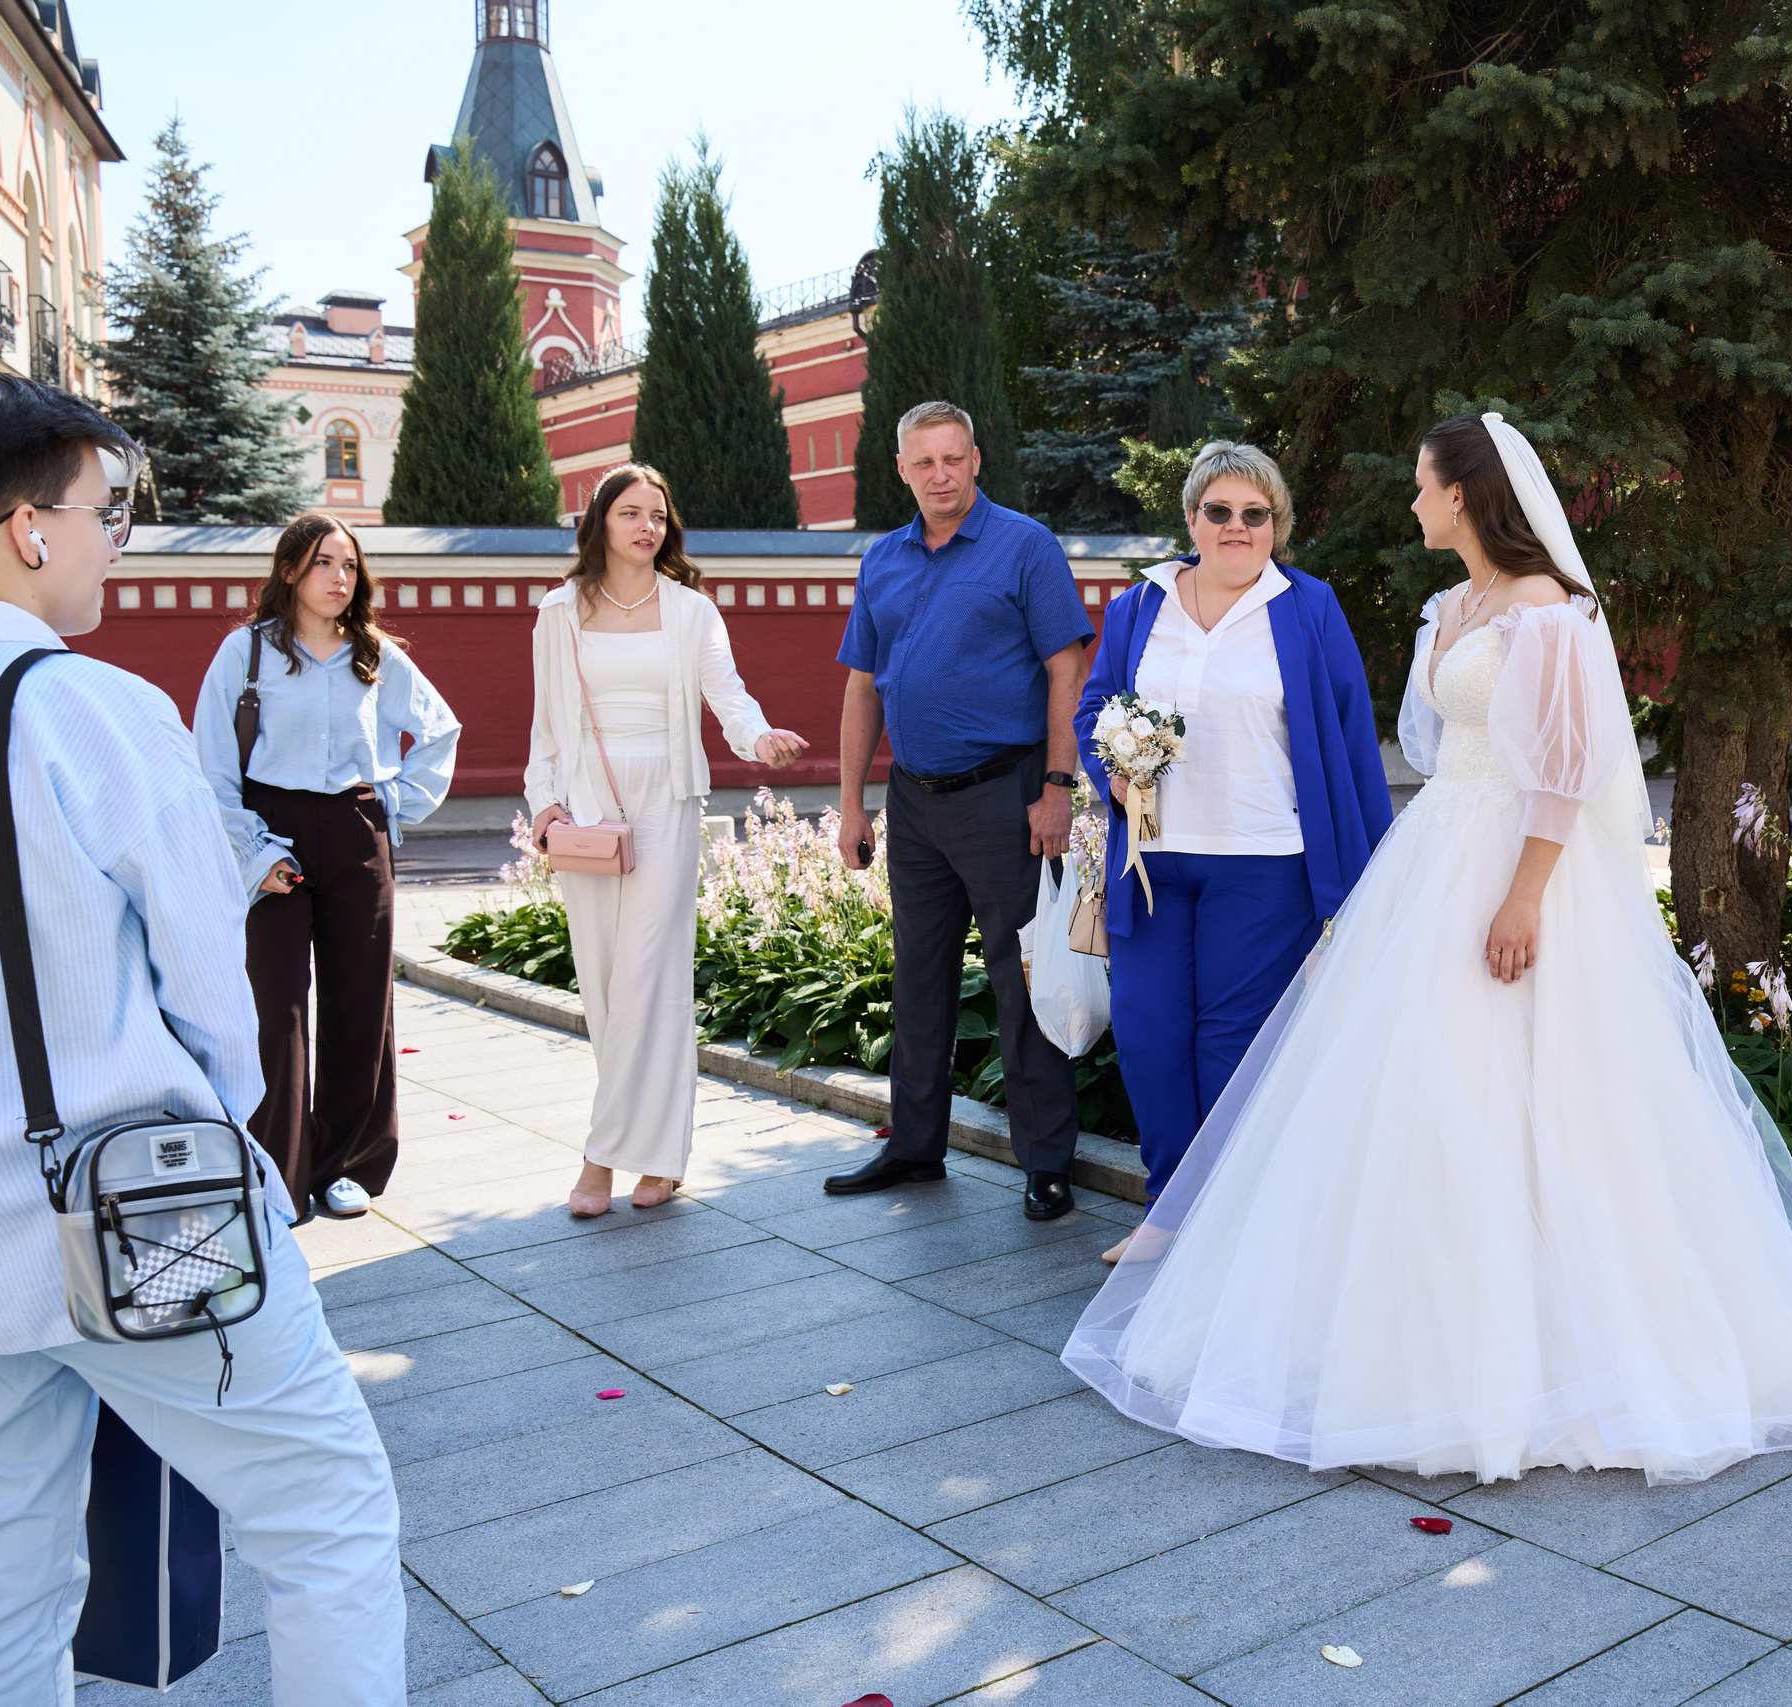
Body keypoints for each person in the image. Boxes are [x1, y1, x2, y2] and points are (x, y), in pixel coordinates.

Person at [1063, 412, 1792, 1484]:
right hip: (1442, 849)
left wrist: (1524, 895)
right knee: (1418, 1094)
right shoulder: (1450, 605)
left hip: (1516, 868)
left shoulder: (1548, 608)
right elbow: (1441, 742)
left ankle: (1549, 1349)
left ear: (1461, 494)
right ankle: (1396, 1330)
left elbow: (1567, 766)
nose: (1412, 501)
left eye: (1423, 485)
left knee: (1532, 1089)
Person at [0, 372, 406, 1700]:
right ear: (28, 528)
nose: (116, 541)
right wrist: (233, 1130)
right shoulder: (88, 709)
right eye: (108, 512)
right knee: (325, 1513)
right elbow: (216, 997)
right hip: (141, 1210)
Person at [1077, 441, 1390, 1260]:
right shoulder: (1140, 606)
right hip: (1152, 857)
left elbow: (1352, 737)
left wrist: (1369, 880)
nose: (1236, 527)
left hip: (1265, 862)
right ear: (1191, 518)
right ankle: (1165, 1210)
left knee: (1230, 1043)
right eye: (1219, 511)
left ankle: (1224, 1223)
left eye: (1255, 513)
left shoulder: (1307, 607)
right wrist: (1111, 769)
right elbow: (1094, 707)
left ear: (1276, 524)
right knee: (1147, 1033)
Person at [825, 401, 1096, 1220]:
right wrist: (852, 804)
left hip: (1006, 795)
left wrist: (1057, 787)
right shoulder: (884, 558)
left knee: (1023, 978)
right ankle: (914, 1146)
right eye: (924, 462)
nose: (940, 475)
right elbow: (863, 686)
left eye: (953, 458)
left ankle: (1046, 1161)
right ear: (901, 470)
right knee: (918, 977)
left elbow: (1067, 669)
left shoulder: (1025, 546)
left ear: (976, 460)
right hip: (913, 799)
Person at [527, 465, 807, 1218]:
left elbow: (728, 694)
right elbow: (546, 723)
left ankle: (599, 1159)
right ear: (599, 523)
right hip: (587, 808)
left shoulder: (691, 611)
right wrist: (544, 804)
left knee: (649, 979)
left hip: (666, 802)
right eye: (630, 512)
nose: (646, 526)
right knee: (605, 984)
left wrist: (758, 736)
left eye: (657, 514)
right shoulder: (559, 611)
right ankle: (657, 1155)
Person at [195, 514, 459, 1223]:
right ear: (289, 571)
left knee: (359, 1001)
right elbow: (212, 765)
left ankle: (347, 1164)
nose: (340, 577)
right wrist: (255, 852)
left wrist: (395, 800)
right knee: (274, 1009)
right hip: (271, 834)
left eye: (349, 565)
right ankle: (276, 1172)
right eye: (323, 563)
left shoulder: (375, 654)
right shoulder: (246, 652)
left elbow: (440, 730)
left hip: (354, 832)